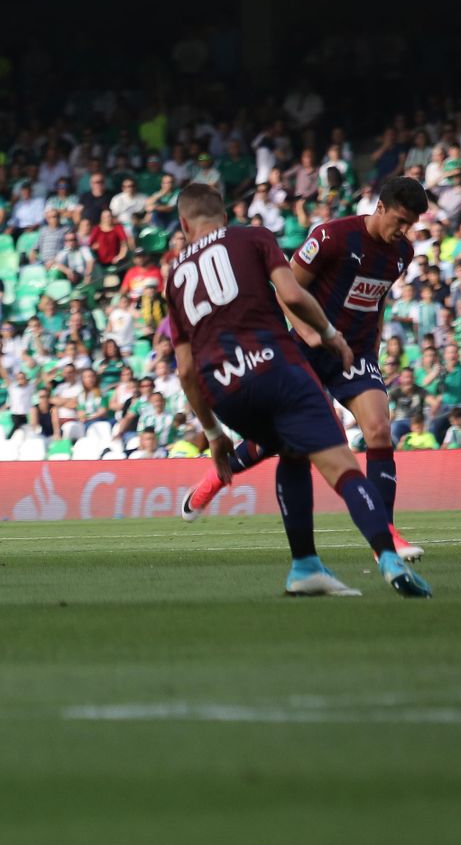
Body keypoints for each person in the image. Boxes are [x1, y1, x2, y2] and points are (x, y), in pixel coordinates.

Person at [164, 183, 428, 598]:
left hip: (349, 352)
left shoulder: (402, 254)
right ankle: (218, 480)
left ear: (183, 224)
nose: (405, 229)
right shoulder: (332, 235)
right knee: (314, 443)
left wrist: (371, 345)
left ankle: (384, 541)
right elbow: (291, 289)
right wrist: (311, 330)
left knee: (378, 428)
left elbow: (377, 301)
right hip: (305, 346)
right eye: (401, 220)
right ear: (381, 207)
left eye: (412, 224)